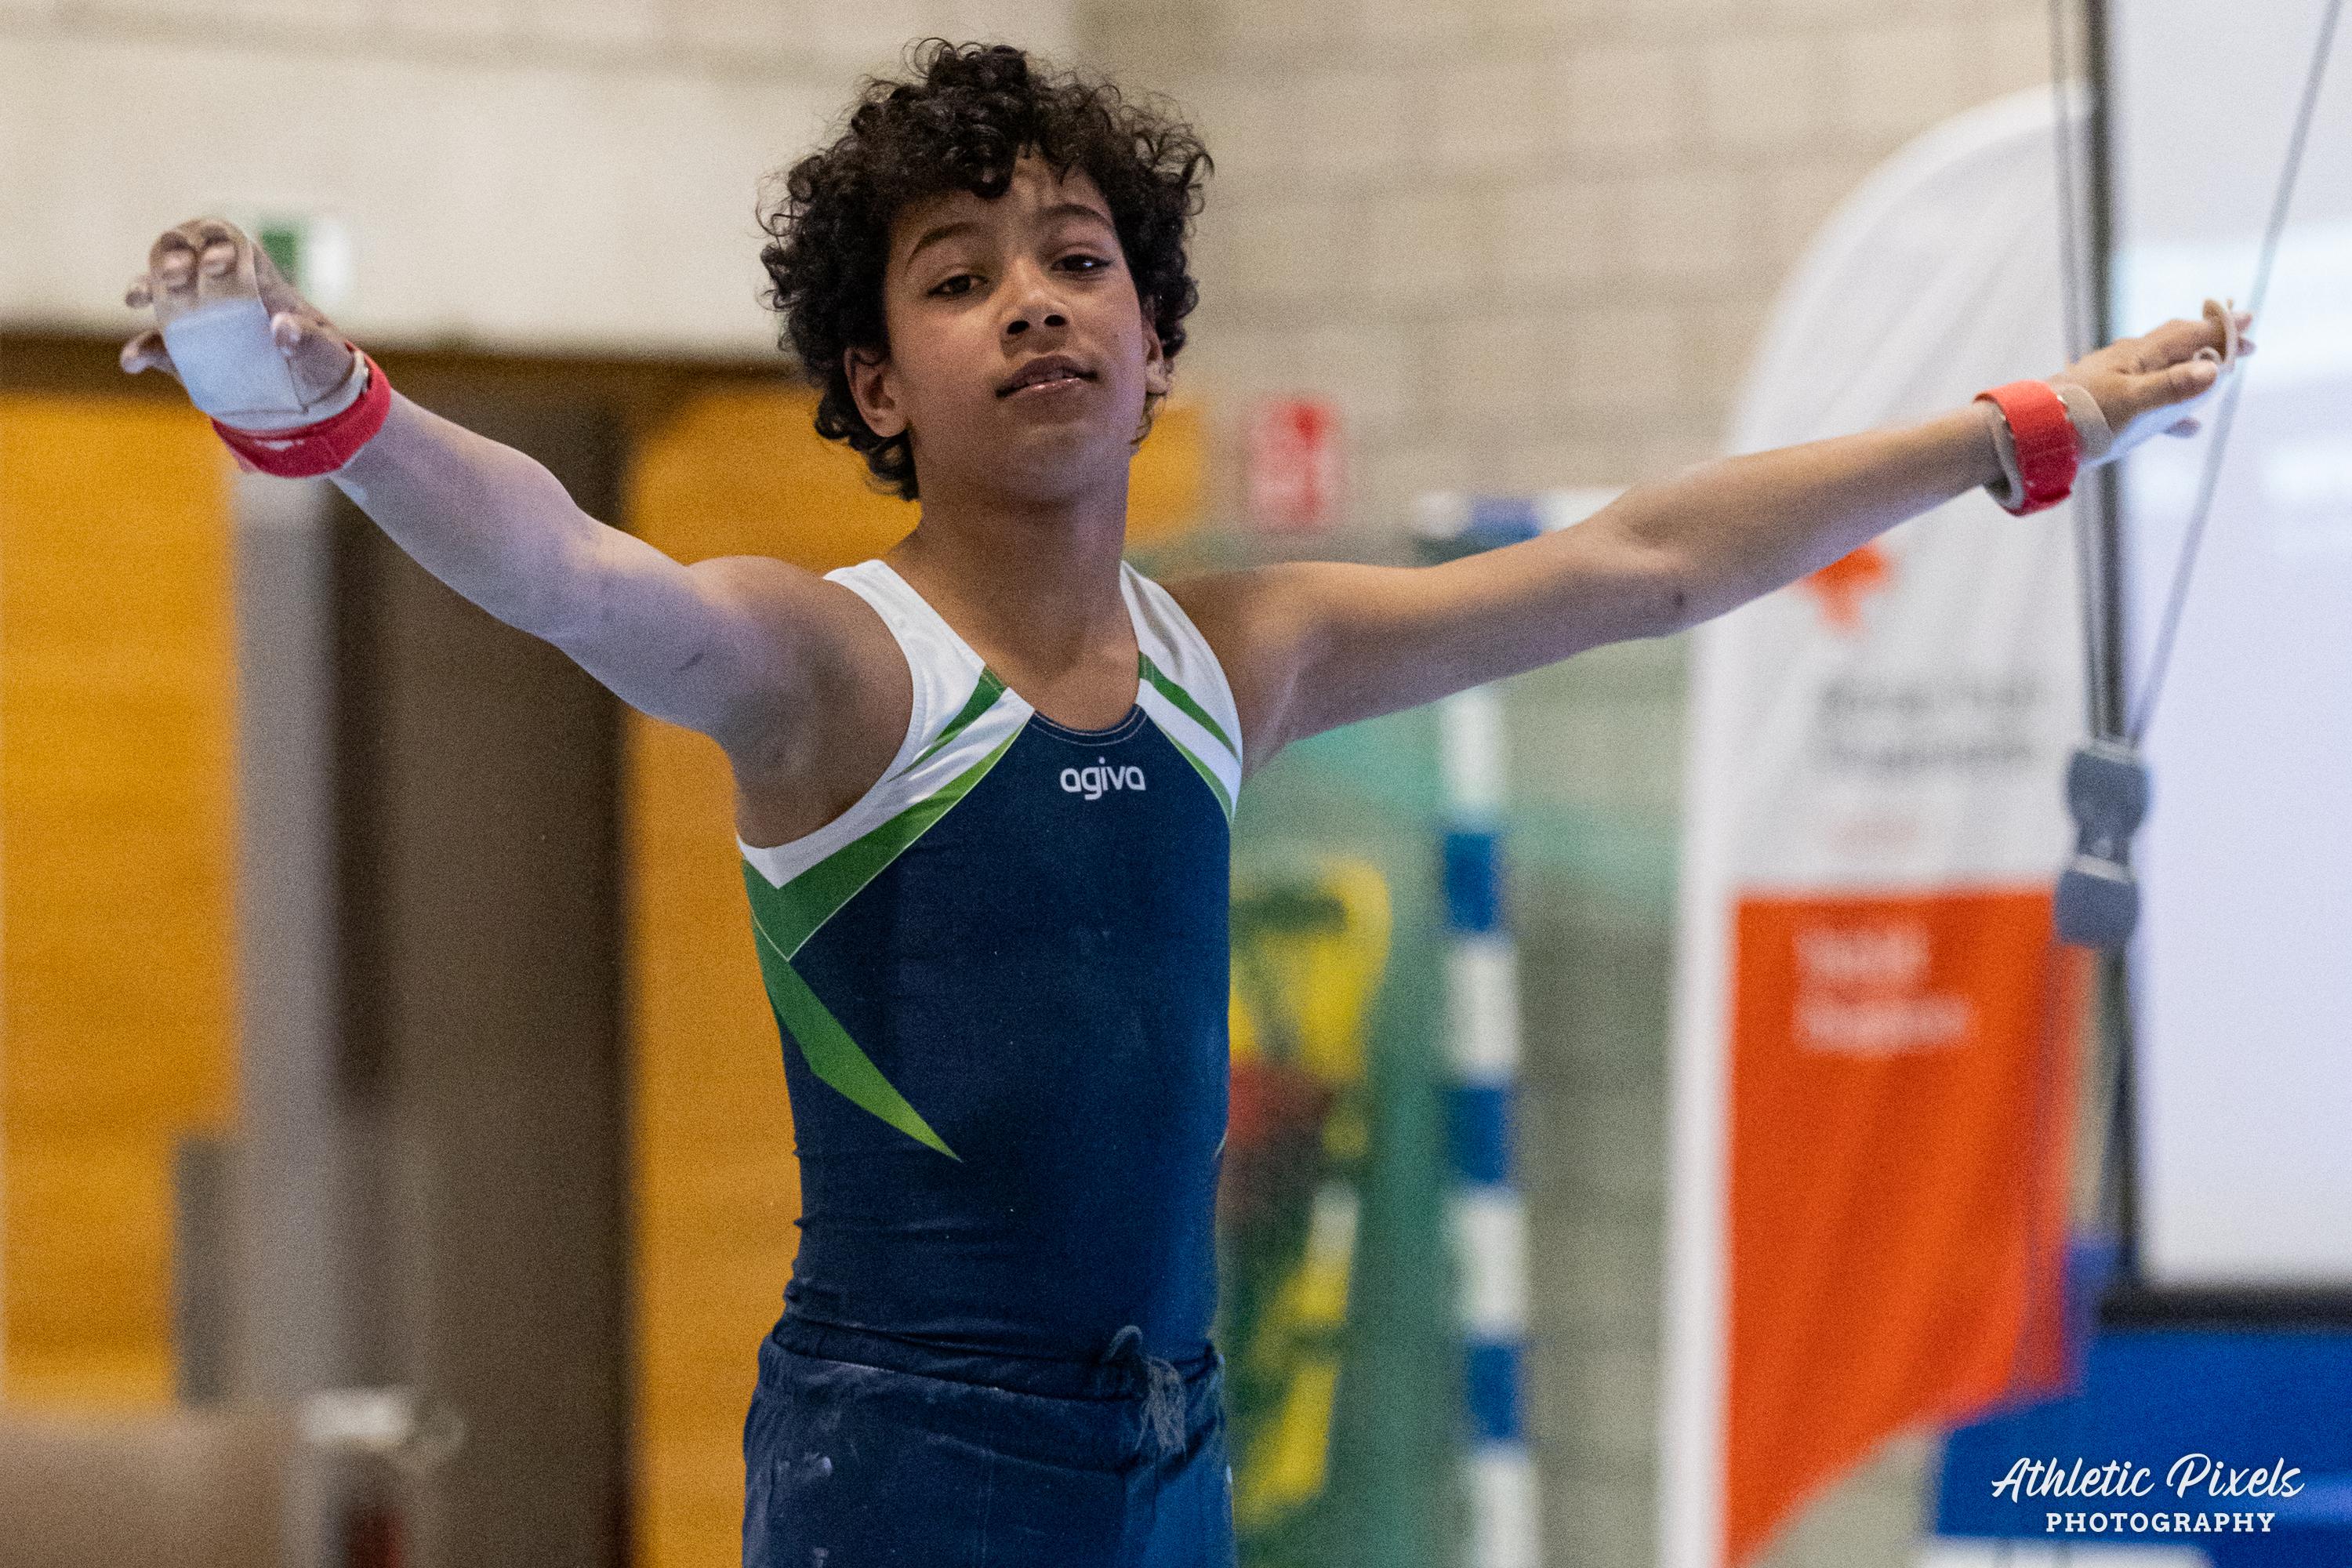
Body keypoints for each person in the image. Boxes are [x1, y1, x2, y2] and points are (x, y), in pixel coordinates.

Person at [120, 38, 2243, 1568]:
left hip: (1173, 1445)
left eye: (1076, 259)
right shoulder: (836, 666)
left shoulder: (1248, 653)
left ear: (1153, 346)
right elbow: (573, 571)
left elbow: (1647, 561)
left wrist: (2016, 429)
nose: (1033, 298)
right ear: (875, 386)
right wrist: (323, 404)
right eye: (958, 277)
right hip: (910, 1456)